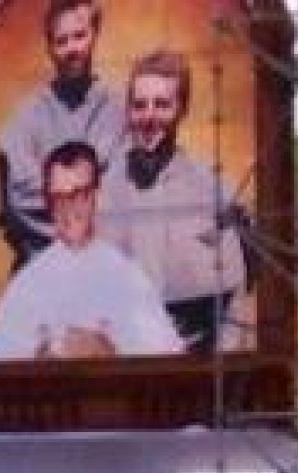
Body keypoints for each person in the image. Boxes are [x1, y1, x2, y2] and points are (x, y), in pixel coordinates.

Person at [98, 49, 251, 353]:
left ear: (182, 108)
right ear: (128, 112)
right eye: (139, 106)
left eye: (162, 105)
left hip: (196, 377)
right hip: (118, 371)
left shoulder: (215, 191)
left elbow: (236, 303)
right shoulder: (101, 193)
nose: (149, 117)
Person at [0, 141, 183, 359]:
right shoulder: (29, 281)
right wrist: (42, 352)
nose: (68, 209)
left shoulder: (127, 276)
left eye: (78, 194)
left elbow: (166, 356)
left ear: (96, 195)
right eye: (57, 197)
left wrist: (106, 349)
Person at [0, 0, 125, 270]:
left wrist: (59, 196)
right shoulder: (24, 121)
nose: (72, 49)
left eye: (79, 36)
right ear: (49, 47)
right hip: (42, 271)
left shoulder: (120, 114)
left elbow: (122, 196)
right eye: (61, 41)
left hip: (106, 271)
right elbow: (21, 202)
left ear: (94, 34)